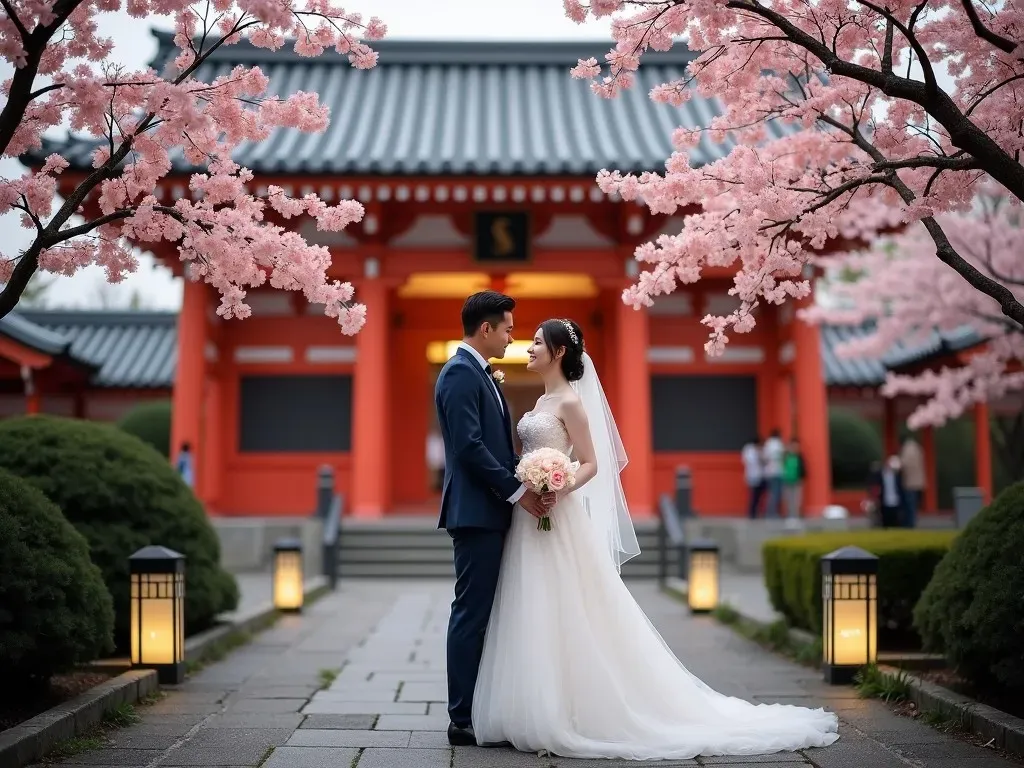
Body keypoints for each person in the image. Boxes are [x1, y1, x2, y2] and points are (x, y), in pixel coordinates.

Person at [470, 317, 840, 759]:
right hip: (529, 518)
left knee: (564, 602)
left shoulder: (570, 402)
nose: (527, 349)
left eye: (535, 343)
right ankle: (530, 705)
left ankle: (570, 709)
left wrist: (558, 485)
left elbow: (590, 462)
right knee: (530, 601)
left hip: (554, 512)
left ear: (559, 352)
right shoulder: (542, 398)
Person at [433, 291, 551, 748]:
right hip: (478, 513)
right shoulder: (461, 373)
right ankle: (461, 717)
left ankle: (481, 706)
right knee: (472, 611)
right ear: (486, 329)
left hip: (490, 509)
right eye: (507, 327)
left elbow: (493, 447)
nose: (512, 335)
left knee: (486, 611)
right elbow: (468, 447)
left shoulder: (480, 373)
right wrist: (518, 489)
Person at [869, 455, 906, 528]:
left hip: (896, 500)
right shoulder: (880, 475)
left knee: (896, 521)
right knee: (885, 522)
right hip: (884, 501)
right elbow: (874, 486)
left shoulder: (897, 476)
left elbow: (901, 488)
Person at [899, 432, 925, 527]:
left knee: (910, 505)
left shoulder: (908, 449)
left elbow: (904, 463)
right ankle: (912, 521)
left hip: (910, 482)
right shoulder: (917, 448)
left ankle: (910, 523)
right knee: (913, 504)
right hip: (917, 481)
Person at [762, 429, 785, 518]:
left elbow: (764, 458)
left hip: (768, 472)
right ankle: (773, 513)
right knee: (776, 494)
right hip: (777, 472)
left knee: (771, 494)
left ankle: (768, 513)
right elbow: (783, 456)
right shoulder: (779, 444)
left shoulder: (767, 444)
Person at [782, 438, 807, 520]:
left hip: (797, 480)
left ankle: (796, 515)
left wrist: (802, 477)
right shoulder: (785, 456)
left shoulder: (799, 456)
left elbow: (803, 468)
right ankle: (790, 515)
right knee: (788, 499)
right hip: (787, 480)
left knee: (797, 499)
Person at [741, 436, 764, 519]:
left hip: (756, 475)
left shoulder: (748, 450)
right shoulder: (751, 450)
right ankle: (752, 513)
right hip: (753, 475)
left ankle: (755, 512)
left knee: (756, 495)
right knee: (754, 495)